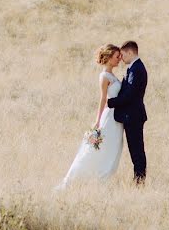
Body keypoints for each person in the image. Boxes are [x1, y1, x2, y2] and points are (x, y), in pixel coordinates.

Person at [57, 44, 125, 189]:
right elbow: (103, 99)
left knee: (113, 147)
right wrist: (98, 120)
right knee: (98, 148)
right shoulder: (104, 76)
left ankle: (103, 178)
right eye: (117, 56)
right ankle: (82, 178)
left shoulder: (112, 75)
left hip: (117, 118)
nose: (119, 59)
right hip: (109, 117)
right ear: (108, 57)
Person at [107, 41, 147, 183]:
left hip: (134, 116)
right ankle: (139, 179)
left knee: (136, 151)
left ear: (130, 53)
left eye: (123, 55)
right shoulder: (134, 67)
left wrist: (110, 103)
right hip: (131, 116)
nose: (121, 58)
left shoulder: (136, 69)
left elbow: (130, 95)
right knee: (135, 150)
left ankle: (139, 181)